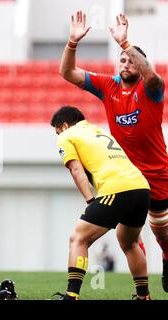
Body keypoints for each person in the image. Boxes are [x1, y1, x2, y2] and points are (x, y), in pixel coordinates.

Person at [59, 10, 168, 290]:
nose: (125, 62)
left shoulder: (150, 89)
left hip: (157, 174)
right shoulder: (109, 86)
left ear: (140, 65)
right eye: (122, 59)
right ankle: (143, 291)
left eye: (131, 59)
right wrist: (72, 43)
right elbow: (67, 73)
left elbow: (154, 77)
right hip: (127, 177)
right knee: (127, 236)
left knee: (162, 234)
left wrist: (125, 44)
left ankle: (166, 256)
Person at [51, 106, 150, 300]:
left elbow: (76, 169)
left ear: (64, 125)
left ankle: (72, 295)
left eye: (57, 131)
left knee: (78, 238)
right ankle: (143, 296)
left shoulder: (67, 135)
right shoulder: (97, 130)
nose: (57, 135)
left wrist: (90, 200)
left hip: (117, 189)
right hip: (141, 188)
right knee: (129, 242)